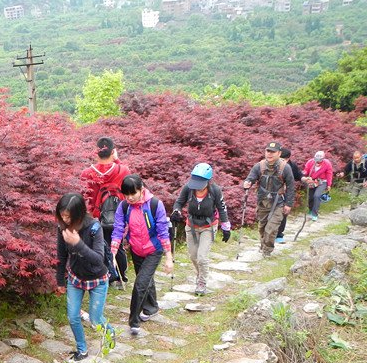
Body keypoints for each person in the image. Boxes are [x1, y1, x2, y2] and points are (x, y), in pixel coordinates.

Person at [110, 175, 174, 335]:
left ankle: (134, 321)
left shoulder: (155, 204)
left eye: (133, 193)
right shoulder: (124, 206)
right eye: (126, 194)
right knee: (146, 280)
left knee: (140, 284)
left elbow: (163, 231)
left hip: (154, 250)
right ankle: (152, 308)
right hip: (136, 249)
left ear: (141, 189)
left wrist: (168, 257)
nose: (130, 198)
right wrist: (113, 253)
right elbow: (118, 229)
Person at [55, 193, 114, 363]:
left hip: (98, 279)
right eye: (62, 215)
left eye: (68, 216)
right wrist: (60, 281)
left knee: (95, 319)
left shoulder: (94, 227)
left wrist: (78, 243)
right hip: (75, 278)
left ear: (79, 214)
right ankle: (82, 350)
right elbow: (61, 256)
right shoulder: (62, 228)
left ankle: (110, 333)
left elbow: (98, 259)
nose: (65, 219)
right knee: (73, 316)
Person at [170, 163, 231, 296]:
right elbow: (179, 202)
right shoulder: (188, 188)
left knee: (202, 257)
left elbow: (221, 208)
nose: (197, 186)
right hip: (191, 225)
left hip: (208, 226)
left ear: (208, 181)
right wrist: (176, 211)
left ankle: (202, 282)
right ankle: (200, 274)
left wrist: (226, 227)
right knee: (193, 256)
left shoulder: (215, 190)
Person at [80, 136, 131, 290]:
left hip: (95, 217)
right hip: (117, 215)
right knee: (117, 245)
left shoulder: (87, 173)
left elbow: (84, 197)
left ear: (96, 152)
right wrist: (117, 159)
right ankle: (120, 278)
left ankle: (103, 277)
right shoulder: (122, 170)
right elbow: (129, 183)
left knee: (98, 246)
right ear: (113, 151)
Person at [242, 141, 296, 257]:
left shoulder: (285, 167)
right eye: (268, 151)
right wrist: (247, 183)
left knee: (271, 229)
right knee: (262, 227)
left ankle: (267, 251)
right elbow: (250, 178)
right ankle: (263, 245)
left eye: (273, 152)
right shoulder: (259, 166)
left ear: (279, 153)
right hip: (262, 202)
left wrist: (289, 204)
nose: (269, 154)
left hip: (278, 203)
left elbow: (291, 187)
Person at [274, 147, 304, 243]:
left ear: (288, 159)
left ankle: (279, 234)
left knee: (284, 213)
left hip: (284, 193)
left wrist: (305, 179)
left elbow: (299, 175)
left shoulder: (291, 165)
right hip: (271, 193)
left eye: (284, 159)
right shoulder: (271, 164)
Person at [302, 150, 334, 222]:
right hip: (312, 181)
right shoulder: (310, 162)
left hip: (322, 182)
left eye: (320, 160)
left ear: (323, 159)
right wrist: (303, 175)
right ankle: (310, 209)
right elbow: (305, 171)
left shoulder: (327, 163)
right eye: (316, 159)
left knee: (317, 196)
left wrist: (329, 184)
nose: (317, 161)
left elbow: (329, 174)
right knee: (311, 197)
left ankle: (314, 214)